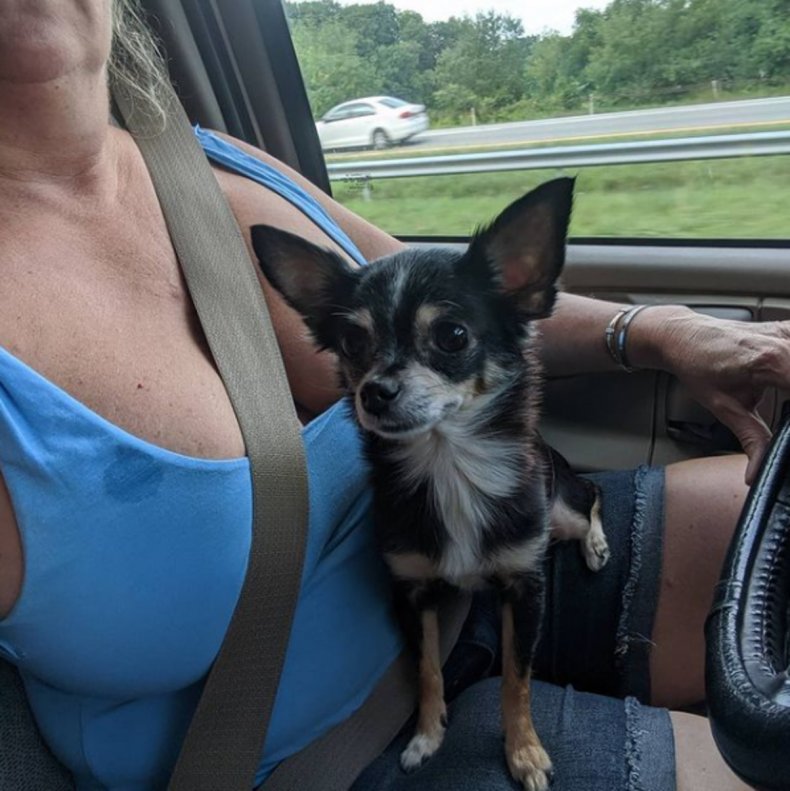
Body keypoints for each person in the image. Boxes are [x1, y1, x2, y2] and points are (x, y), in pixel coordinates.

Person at [0, 1, 786, 789]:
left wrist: (656, 330)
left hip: (478, 572)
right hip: (316, 756)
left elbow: (461, 296)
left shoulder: (208, 164)